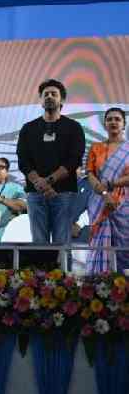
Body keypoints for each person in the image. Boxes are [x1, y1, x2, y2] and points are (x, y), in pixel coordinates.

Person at [17, 79, 86, 245]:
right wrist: (38, 183)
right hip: (35, 194)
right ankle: (41, 272)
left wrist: (49, 181)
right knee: (39, 243)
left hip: (63, 194)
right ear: (40, 100)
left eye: (54, 94)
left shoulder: (74, 127)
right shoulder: (28, 128)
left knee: (62, 243)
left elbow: (74, 159)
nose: (49, 97)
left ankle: (61, 272)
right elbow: (23, 159)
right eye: (45, 94)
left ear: (61, 100)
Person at [84, 107, 129, 273]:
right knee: (99, 245)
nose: (113, 122)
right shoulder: (96, 148)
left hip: (124, 205)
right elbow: (90, 173)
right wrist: (104, 193)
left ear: (124, 124)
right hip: (99, 203)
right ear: (104, 124)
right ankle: (98, 283)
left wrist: (111, 184)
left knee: (124, 247)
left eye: (117, 119)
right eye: (109, 119)